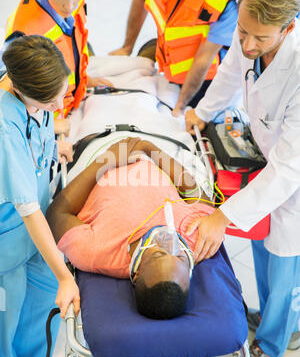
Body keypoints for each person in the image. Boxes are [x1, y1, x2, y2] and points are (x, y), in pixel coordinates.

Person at [184, 0, 300, 357]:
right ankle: (270, 315)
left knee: (285, 259)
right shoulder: (251, 30)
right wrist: (203, 112)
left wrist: (223, 215)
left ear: (288, 27)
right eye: (244, 31)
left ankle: (272, 344)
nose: (248, 43)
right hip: (270, 156)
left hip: (294, 173)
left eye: (261, 38)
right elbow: (232, 71)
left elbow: (289, 169)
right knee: (262, 241)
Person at [46, 137, 215, 320]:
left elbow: (57, 213)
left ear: (136, 274)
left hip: (101, 144)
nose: (170, 243)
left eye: (159, 254)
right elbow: (193, 192)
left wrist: (107, 160)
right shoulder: (198, 240)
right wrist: (149, 148)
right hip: (158, 143)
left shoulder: (95, 251)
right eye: (181, 257)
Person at [0, 35, 80, 357]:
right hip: (10, 239)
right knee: (6, 319)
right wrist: (66, 275)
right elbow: (27, 207)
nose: (58, 105)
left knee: (43, 298)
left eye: (61, 94)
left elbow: (41, 131)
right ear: (18, 88)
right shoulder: (4, 126)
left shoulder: (33, 93)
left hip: (39, 229)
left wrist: (54, 145)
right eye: (50, 101)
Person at [110, 0, 244, 114]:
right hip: (169, 62)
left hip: (204, 80)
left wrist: (179, 107)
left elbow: (204, 58)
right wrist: (126, 47)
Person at [4, 0, 112, 134]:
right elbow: (10, 95)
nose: (69, 6)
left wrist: (82, 81)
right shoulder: (23, 32)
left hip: (71, 102)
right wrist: (48, 126)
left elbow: (73, 47)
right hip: (47, 121)